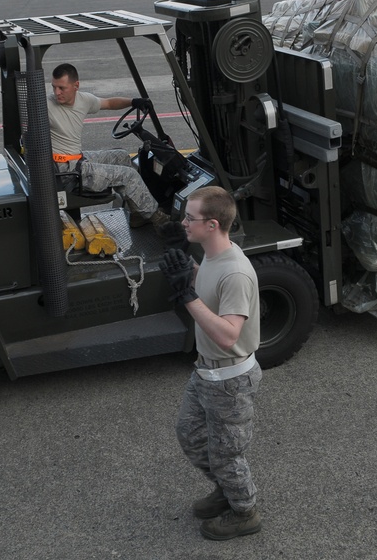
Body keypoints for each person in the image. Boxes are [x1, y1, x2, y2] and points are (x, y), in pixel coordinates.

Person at [160, 186, 263, 541]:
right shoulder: (214, 256)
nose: (183, 222)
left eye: (190, 218)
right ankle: (227, 489)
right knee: (189, 436)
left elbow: (228, 336)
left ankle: (244, 511)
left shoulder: (236, 272)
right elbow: (206, 283)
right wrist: (182, 258)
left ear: (213, 224)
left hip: (229, 378)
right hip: (206, 370)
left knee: (226, 454)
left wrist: (186, 296)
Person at [47, 63, 169, 228]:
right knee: (128, 176)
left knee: (121, 155)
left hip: (77, 159)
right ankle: (160, 221)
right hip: (66, 172)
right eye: (54, 87)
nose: (56, 93)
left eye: (62, 88)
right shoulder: (46, 106)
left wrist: (134, 102)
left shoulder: (83, 100)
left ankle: (137, 213)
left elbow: (109, 103)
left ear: (76, 85)